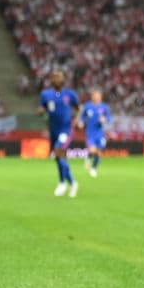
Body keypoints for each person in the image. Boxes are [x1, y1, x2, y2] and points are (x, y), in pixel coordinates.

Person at [39, 69, 80, 197]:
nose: (57, 79)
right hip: (53, 130)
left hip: (66, 130)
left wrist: (77, 120)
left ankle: (64, 183)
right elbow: (42, 108)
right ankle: (70, 183)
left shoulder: (70, 94)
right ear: (51, 80)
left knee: (58, 151)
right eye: (54, 77)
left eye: (59, 77)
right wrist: (41, 111)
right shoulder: (45, 94)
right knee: (59, 158)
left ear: (63, 80)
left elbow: (79, 108)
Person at [78, 90, 112, 177]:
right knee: (92, 150)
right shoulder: (88, 106)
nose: (96, 97)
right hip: (90, 133)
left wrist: (105, 119)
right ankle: (89, 158)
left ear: (101, 97)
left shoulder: (104, 107)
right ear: (92, 97)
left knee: (99, 152)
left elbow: (109, 118)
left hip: (100, 133)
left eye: (98, 95)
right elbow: (82, 116)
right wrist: (81, 122)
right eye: (94, 95)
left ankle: (94, 168)